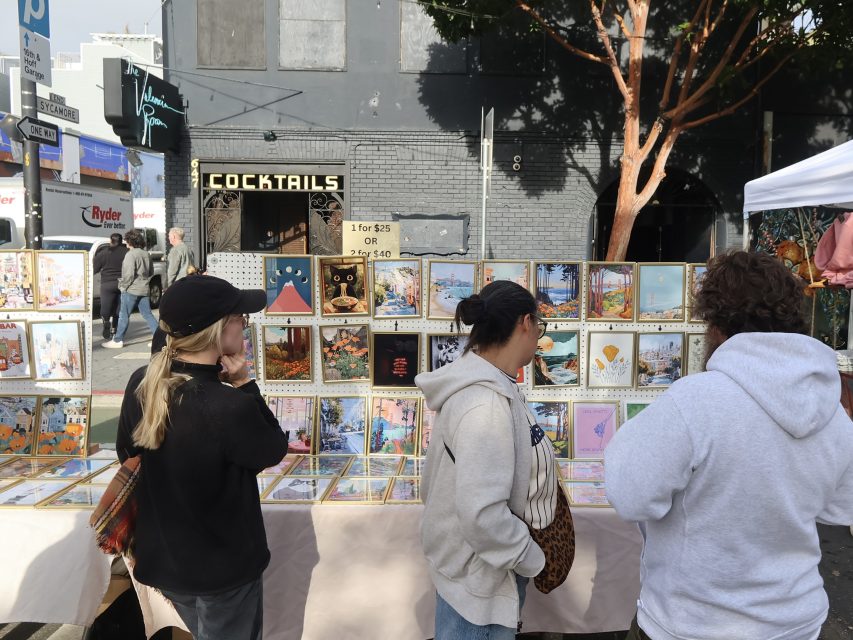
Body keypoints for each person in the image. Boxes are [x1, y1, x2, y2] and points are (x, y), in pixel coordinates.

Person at [605, 251, 853, 640]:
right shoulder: (831, 410)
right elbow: (839, 509)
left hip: (694, 623)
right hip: (795, 620)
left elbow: (630, 495)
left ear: (716, 324)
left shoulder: (694, 401)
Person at [116, 275, 287, 640]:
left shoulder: (141, 382)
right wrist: (244, 383)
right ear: (220, 329)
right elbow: (272, 448)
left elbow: (126, 454)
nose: (245, 325)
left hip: (166, 559)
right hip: (223, 569)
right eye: (242, 317)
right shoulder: (227, 405)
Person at [415, 280, 556, 639]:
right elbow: (482, 516)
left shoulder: (493, 387)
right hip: (479, 584)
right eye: (541, 325)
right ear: (526, 322)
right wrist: (530, 557)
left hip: (479, 574)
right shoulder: (485, 404)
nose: (540, 334)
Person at [103, 229, 158, 349]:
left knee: (124, 315)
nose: (125, 243)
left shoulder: (130, 254)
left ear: (130, 241)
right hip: (144, 288)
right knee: (148, 314)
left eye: (126, 240)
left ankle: (118, 340)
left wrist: (123, 286)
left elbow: (128, 275)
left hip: (131, 289)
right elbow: (151, 272)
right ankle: (159, 338)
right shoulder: (146, 254)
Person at [93, 233, 129, 341]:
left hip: (107, 284)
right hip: (122, 283)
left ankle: (106, 321)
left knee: (105, 307)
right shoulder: (127, 253)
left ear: (111, 241)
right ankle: (114, 328)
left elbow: (95, 269)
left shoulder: (104, 253)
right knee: (119, 308)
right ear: (121, 241)